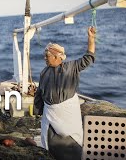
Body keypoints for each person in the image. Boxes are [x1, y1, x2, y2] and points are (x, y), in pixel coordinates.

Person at [34, 26, 96, 160]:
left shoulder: (71, 67)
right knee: (51, 146)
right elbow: (39, 94)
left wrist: (91, 38)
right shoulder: (44, 72)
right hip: (50, 114)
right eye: (45, 55)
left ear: (57, 56)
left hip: (67, 113)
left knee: (72, 144)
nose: (45, 57)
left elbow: (88, 58)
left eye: (47, 55)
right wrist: (38, 110)